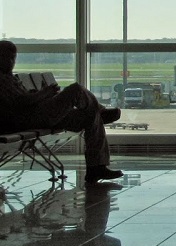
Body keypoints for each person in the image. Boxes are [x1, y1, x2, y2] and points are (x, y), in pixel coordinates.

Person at [0, 40, 123, 183]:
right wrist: (43, 94)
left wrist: (41, 94)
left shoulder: (9, 77)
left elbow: (23, 98)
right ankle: (101, 111)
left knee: (91, 116)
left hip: (36, 114)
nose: (12, 62)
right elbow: (20, 103)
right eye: (8, 58)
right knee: (75, 90)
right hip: (28, 118)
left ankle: (96, 168)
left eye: (13, 58)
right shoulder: (1, 80)